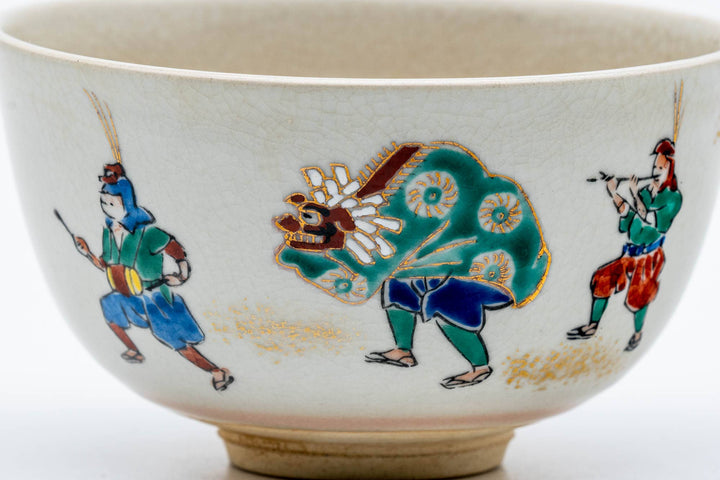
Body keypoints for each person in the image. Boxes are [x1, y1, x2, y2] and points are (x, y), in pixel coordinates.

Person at [73, 163, 234, 391]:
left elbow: (175, 249)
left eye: (112, 203)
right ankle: (135, 351)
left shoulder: (148, 234)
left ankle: (217, 371)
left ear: (127, 203)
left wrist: (182, 275)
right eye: (104, 202)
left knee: (175, 340)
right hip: (128, 294)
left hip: (154, 296)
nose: (107, 207)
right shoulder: (109, 234)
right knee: (110, 308)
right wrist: (87, 252)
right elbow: (105, 265)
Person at [567, 138, 682, 351]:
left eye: (660, 168)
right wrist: (614, 193)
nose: (655, 171)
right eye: (655, 167)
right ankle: (592, 326)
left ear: (670, 169)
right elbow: (629, 213)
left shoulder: (673, 198)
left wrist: (634, 193)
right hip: (630, 253)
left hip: (649, 256)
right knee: (602, 278)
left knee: (639, 297)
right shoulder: (647, 192)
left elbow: (649, 220)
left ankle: (638, 334)